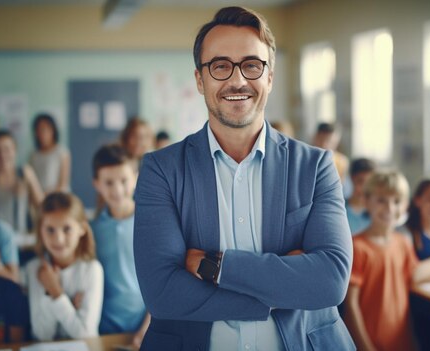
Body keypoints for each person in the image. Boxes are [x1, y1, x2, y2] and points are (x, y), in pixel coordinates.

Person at [133, 6, 354, 350]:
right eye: (220, 66)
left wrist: (216, 268)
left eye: (251, 65)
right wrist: (281, 288)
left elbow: (330, 283)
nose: (237, 80)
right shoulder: (161, 170)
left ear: (269, 76)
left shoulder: (316, 166)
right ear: (199, 80)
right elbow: (163, 294)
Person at [344, 170, 430, 351]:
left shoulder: (403, 243)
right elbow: (350, 306)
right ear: (366, 200)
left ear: (405, 205)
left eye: (396, 201)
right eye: (381, 200)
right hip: (369, 343)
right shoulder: (357, 248)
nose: (390, 208)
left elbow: (413, 276)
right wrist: (365, 347)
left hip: (401, 343)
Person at [90, 144, 149, 348]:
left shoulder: (152, 223)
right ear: (97, 184)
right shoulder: (91, 230)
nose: (117, 190)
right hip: (103, 329)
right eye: (108, 182)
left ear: (135, 178)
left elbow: (164, 282)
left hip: (146, 328)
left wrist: (146, 329)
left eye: (123, 181)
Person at [25, 192, 103, 341]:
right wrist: (69, 307)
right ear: (40, 232)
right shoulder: (34, 269)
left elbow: (86, 335)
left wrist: (55, 292)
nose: (58, 239)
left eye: (66, 229)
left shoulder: (92, 270)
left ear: (82, 229)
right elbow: (42, 335)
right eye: (50, 230)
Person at [0, 130, 44, 234]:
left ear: (14, 150)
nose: (2, 155)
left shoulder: (25, 173)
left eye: (7, 149)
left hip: (23, 239)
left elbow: (42, 206)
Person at [29, 113, 71, 194]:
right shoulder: (33, 155)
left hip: (58, 198)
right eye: (39, 129)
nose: (42, 133)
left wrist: (47, 195)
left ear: (53, 130)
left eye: (45, 129)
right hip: (37, 199)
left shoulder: (62, 152)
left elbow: (63, 184)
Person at [345, 157, 376, 235]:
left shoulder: (376, 211)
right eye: (360, 181)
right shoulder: (339, 208)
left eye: (369, 183)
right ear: (352, 179)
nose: (364, 188)